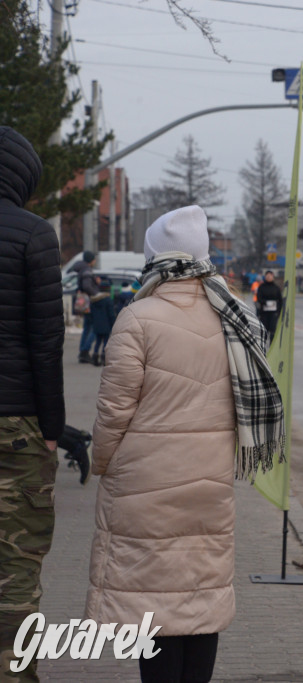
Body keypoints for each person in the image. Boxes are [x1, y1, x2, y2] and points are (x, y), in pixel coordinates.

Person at [86, 205, 285, 682]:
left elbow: (114, 411)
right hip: (208, 484)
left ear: (155, 257)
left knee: (153, 610)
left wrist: (101, 463)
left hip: (144, 487)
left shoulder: (137, 318)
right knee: (201, 603)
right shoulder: (232, 316)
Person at [0, 125, 65, 682]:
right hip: (16, 425)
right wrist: (53, 427)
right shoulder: (34, 234)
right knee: (16, 567)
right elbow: (47, 341)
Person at [70, 250, 100, 363]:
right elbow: (87, 286)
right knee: (94, 327)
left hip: (85, 302)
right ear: (90, 260)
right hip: (90, 302)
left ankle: (82, 351)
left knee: (87, 327)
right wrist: (96, 293)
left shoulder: (82, 269)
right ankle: (85, 351)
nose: (95, 261)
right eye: (94, 259)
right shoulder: (87, 270)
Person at [89, 276, 116, 366]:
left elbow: (91, 313)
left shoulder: (94, 300)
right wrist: (114, 323)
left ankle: (95, 357)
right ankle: (104, 357)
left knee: (98, 341)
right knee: (105, 342)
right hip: (106, 325)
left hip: (97, 324)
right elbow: (111, 314)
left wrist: (93, 322)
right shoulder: (108, 300)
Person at [256, 269, 283, 338]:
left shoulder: (276, 288)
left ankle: (272, 345)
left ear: (273, 277)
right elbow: (259, 297)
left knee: (273, 330)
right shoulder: (261, 287)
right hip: (264, 312)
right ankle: (263, 345)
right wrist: (264, 302)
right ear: (265, 277)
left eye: (270, 276)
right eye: (267, 276)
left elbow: (280, 300)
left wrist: (279, 311)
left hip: (274, 313)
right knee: (264, 330)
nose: (268, 277)